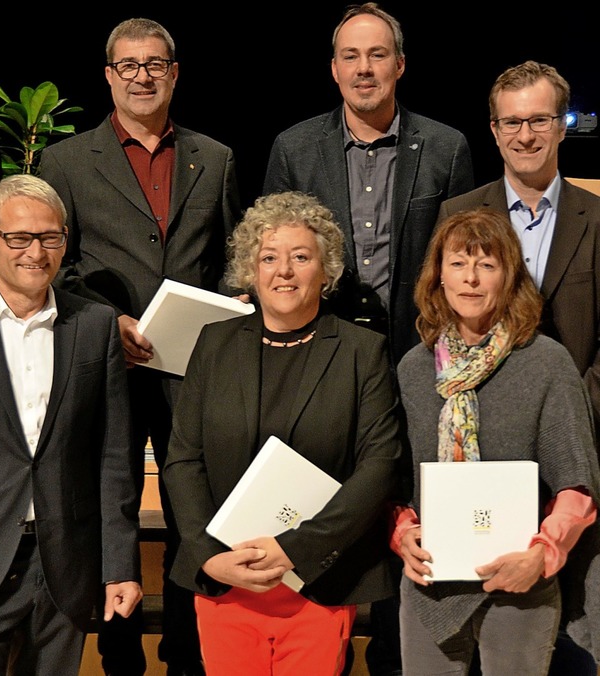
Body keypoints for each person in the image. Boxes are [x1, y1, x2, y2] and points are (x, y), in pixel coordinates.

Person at [263, 5, 474, 671]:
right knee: (323, 511)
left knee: (404, 506)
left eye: (377, 55)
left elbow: (463, 260)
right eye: (351, 56)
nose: (364, 68)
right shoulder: (295, 148)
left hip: (416, 368)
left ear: (399, 65)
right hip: (319, 368)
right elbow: (268, 261)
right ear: (333, 69)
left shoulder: (445, 148)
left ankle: (395, 654)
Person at [39, 17, 241, 675]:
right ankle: (120, 654)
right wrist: (106, 318)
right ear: (108, 75)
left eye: (155, 63)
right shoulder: (66, 162)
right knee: (112, 508)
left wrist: (235, 306)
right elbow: (56, 268)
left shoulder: (214, 158)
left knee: (193, 513)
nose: (142, 76)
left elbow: (235, 258)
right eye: (128, 65)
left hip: (197, 370)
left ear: (175, 73)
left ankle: (187, 656)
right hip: (108, 365)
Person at [162, 191, 404, 676]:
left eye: (301, 257)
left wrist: (295, 547)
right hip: (227, 579)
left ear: (327, 270)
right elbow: (183, 459)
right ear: (251, 271)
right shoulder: (214, 343)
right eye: (269, 258)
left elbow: (380, 466)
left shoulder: (363, 352)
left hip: (317, 580)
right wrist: (209, 557)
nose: (284, 271)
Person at [436, 60, 600, 674]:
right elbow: (437, 320)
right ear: (493, 128)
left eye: (538, 120)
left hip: (576, 453)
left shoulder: (598, 217)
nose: (525, 135)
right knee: (481, 621)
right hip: (476, 452)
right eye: (512, 122)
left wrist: (564, 418)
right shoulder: (459, 212)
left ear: (561, 126)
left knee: (568, 635)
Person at [391, 207, 600, 675]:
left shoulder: (546, 363)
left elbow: (578, 488)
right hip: (431, 585)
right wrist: (403, 534)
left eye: (487, 265)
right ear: (437, 276)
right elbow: (393, 481)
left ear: (509, 278)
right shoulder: (413, 368)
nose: (471, 279)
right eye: (458, 263)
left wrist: (543, 554)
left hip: (521, 585)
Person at [0, 174, 142, 675]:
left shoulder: (95, 325)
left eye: (50, 237)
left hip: (63, 564)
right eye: (20, 238)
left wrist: (120, 567)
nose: (36, 252)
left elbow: (114, 457)